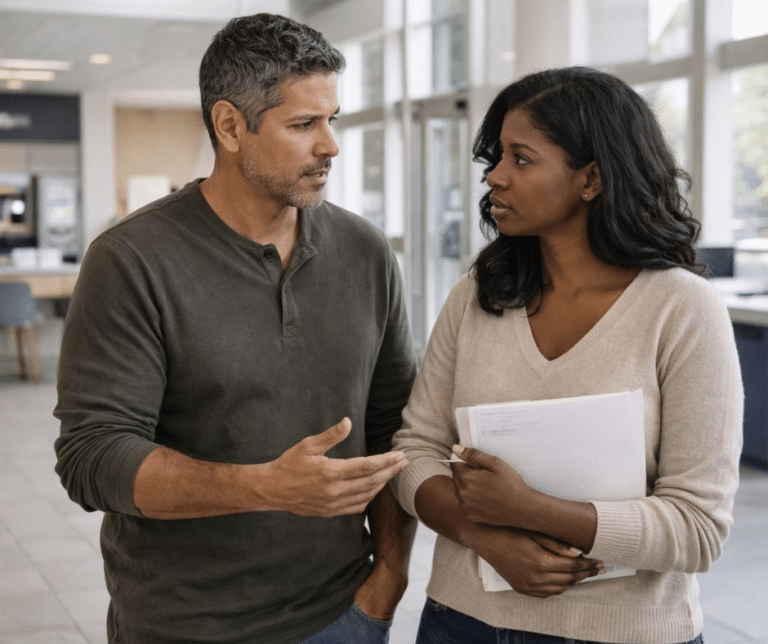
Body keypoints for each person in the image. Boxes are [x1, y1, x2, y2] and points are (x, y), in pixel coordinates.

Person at [54, 13, 418, 644]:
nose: (329, 145)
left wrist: (389, 576)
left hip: (343, 614)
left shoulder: (365, 251)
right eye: (304, 125)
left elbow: (394, 424)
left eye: (331, 119)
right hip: (186, 625)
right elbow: (93, 457)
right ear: (229, 125)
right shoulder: (132, 259)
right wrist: (264, 487)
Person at [391, 66, 743, 644]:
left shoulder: (683, 309)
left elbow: (698, 529)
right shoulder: (478, 295)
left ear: (592, 179)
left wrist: (530, 509)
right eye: (495, 159)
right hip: (460, 624)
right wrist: (485, 538)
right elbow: (413, 452)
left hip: (624, 634)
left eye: (521, 159)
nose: (496, 179)